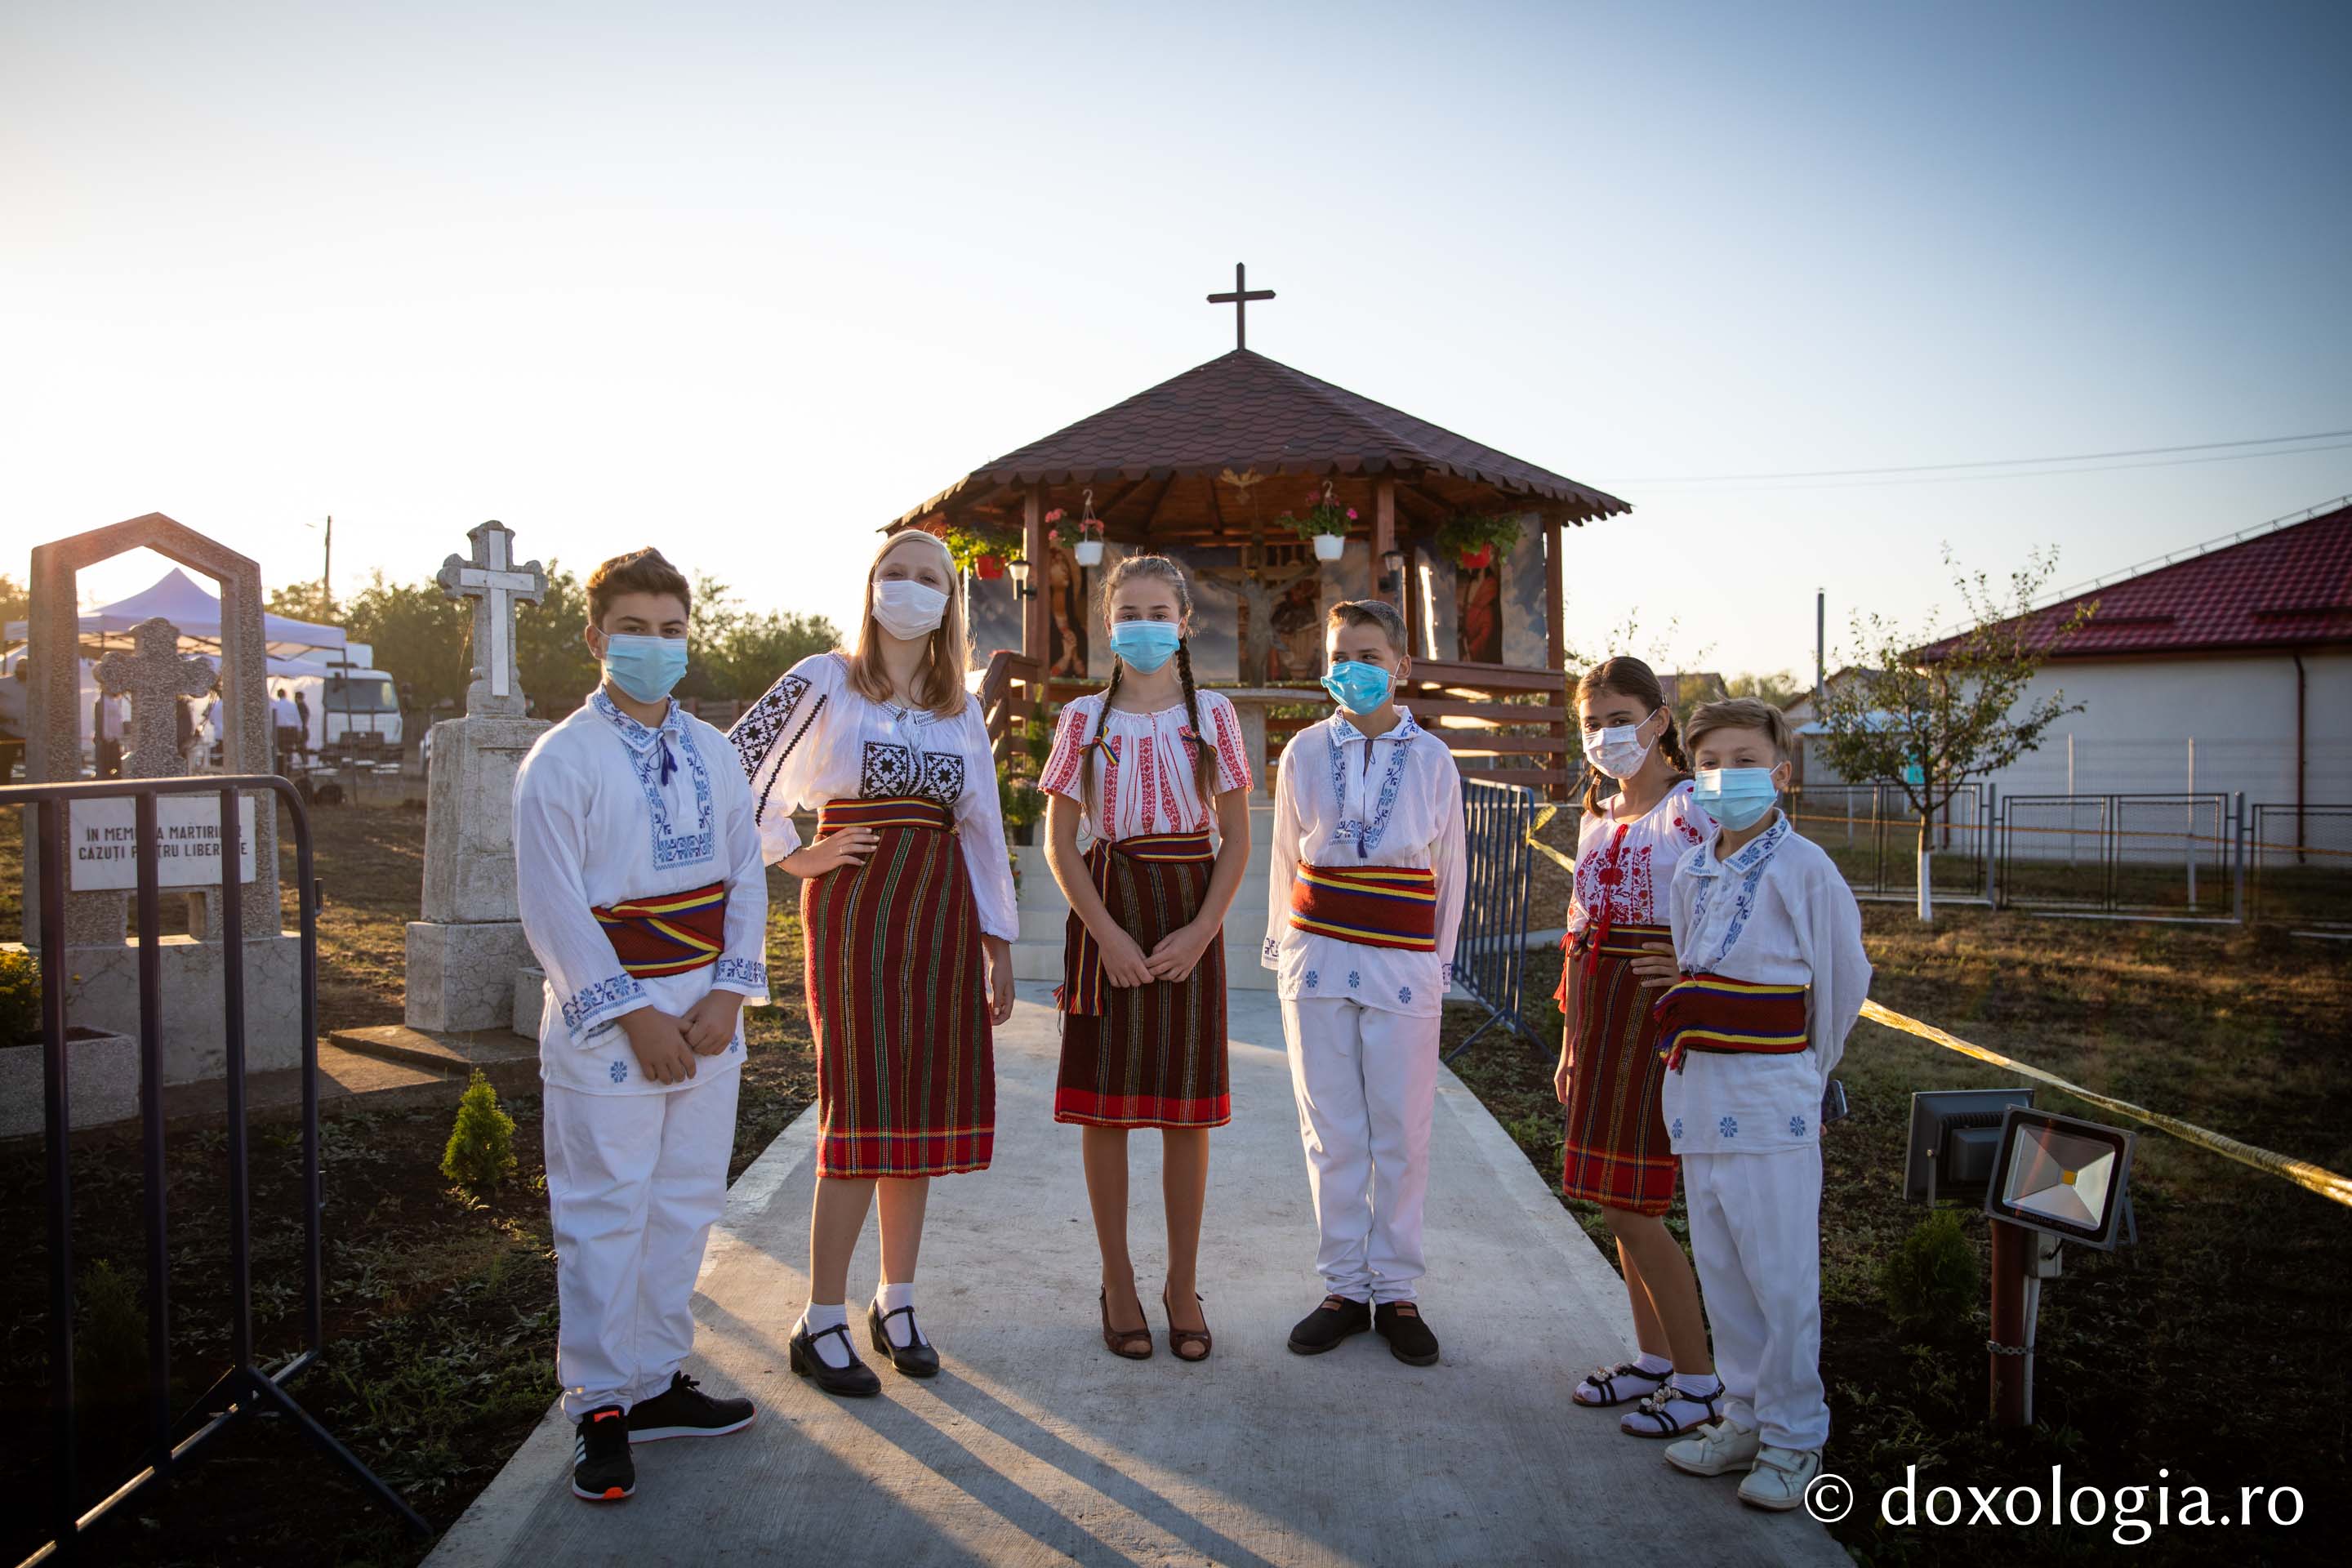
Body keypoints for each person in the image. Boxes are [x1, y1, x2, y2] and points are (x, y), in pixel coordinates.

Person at [730, 528, 1018, 1398]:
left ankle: (896, 1303)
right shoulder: (823, 679)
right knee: (860, 1097)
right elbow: (735, 764)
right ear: (869, 586)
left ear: (949, 601)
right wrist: (791, 853)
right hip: (856, 905)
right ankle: (819, 1314)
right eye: (894, 572)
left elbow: (982, 829)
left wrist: (997, 944)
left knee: (919, 1099)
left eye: (929, 577)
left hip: (938, 908)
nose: (909, 586)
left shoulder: (960, 707)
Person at [513, 547, 770, 1503]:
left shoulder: (714, 753)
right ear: (596, 638)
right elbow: (554, 909)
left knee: (686, 1201)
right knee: (604, 1212)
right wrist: (633, 1017)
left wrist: (728, 995)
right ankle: (598, 1406)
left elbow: (745, 875)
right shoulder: (561, 762)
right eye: (634, 629)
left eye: (670, 630)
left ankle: (657, 1381)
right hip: (612, 1023)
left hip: (707, 1015)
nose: (654, 646)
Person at [1630, 697, 1869, 1511]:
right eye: (1710, 762)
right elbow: (1697, 967)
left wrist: (1806, 1072)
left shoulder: (1808, 871)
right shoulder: (1693, 869)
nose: (1725, 776)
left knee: (1781, 1279)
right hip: (1702, 1100)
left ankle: (1798, 1439)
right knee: (1726, 1273)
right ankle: (1743, 1418)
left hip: (1773, 1102)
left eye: (1744, 759)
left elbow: (1840, 989)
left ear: (1780, 773)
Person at [1036, 555, 1254, 1363]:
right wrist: (1107, 935)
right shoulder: (1082, 721)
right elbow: (1061, 842)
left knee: (1183, 1110)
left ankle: (1182, 1282)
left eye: (1160, 612)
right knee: (1107, 1107)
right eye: (1129, 611)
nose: (1145, 625)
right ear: (1107, 621)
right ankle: (1119, 1280)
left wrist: (1202, 931)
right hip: (1111, 907)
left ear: (1185, 623)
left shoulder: (1216, 717)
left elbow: (1237, 839)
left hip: (1190, 906)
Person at [1264, 599, 1464, 1367]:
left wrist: (1438, 963)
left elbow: (1450, 872)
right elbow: (1287, 855)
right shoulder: (1305, 751)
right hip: (1317, 958)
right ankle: (1343, 1287)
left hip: (1404, 960)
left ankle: (1398, 1290)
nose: (1355, 668)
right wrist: (1284, 949)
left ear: (1401, 666)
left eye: (1371, 655)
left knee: (1402, 1133)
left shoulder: (1435, 759)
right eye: (1342, 654)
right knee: (1332, 1133)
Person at [1553, 658, 1722, 1438]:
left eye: (1619, 717)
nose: (1605, 736)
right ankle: (1653, 1360)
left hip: (1656, 1016)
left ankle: (1700, 1381)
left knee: (1638, 1200)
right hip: (1598, 1013)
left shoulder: (1695, 813)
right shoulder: (1598, 816)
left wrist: (1684, 964)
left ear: (1660, 719)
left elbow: (1730, 909)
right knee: (1614, 1200)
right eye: (1592, 723)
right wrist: (1568, 1041)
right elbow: (1578, 930)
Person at [93, 691, 126, 778]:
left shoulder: (113, 702)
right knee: (108, 767)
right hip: (108, 741)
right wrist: (108, 736)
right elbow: (104, 721)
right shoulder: (103, 703)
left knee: (116, 767)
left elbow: (117, 721)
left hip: (114, 739)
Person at [270, 685, 301, 773]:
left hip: (280, 730)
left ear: (278, 695)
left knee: (281, 750)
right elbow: (297, 718)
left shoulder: (275, 705)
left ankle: (282, 769)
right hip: (291, 730)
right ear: (285, 694)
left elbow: (273, 718)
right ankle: (289, 769)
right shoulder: (292, 705)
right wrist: (299, 730)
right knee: (289, 750)